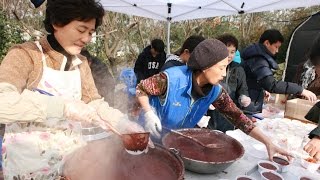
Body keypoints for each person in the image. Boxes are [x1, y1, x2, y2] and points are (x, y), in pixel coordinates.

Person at [0, 0, 144, 179]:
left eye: (91, 32)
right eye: (81, 30)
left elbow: (94, 102)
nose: (87, 39)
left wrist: (122, 123)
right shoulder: (25, 55)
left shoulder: (81, 63)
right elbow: (3, 102)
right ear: (57, 23)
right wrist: (63, 107)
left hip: (72, 164)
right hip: (29, 166)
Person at [136, 39, 291, 161]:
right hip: (148, 138)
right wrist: (149, 112)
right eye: (221, 67)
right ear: (205, 66)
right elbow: (141, 89)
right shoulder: (171, 78)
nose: (224, 74)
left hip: (174, 142)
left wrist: (268, 143)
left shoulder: (215, 91)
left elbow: (238, 117)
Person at [241, 29, 317, 112]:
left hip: (249, 101)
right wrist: (300, 90)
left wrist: (262, 89)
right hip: (246, 104)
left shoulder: (256, 56)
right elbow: (272, 85)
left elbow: (253, 79)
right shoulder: (259, 60)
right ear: (267, 43)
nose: (277, 51)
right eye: (276, 47)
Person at [207, 34, 252, 132]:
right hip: (210, 115)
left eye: (232, 52)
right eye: (226, 51)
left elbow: (243, 89)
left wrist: (244, 97)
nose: (229, 55)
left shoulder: (238, 69)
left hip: (228, 115)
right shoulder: (209, 67)